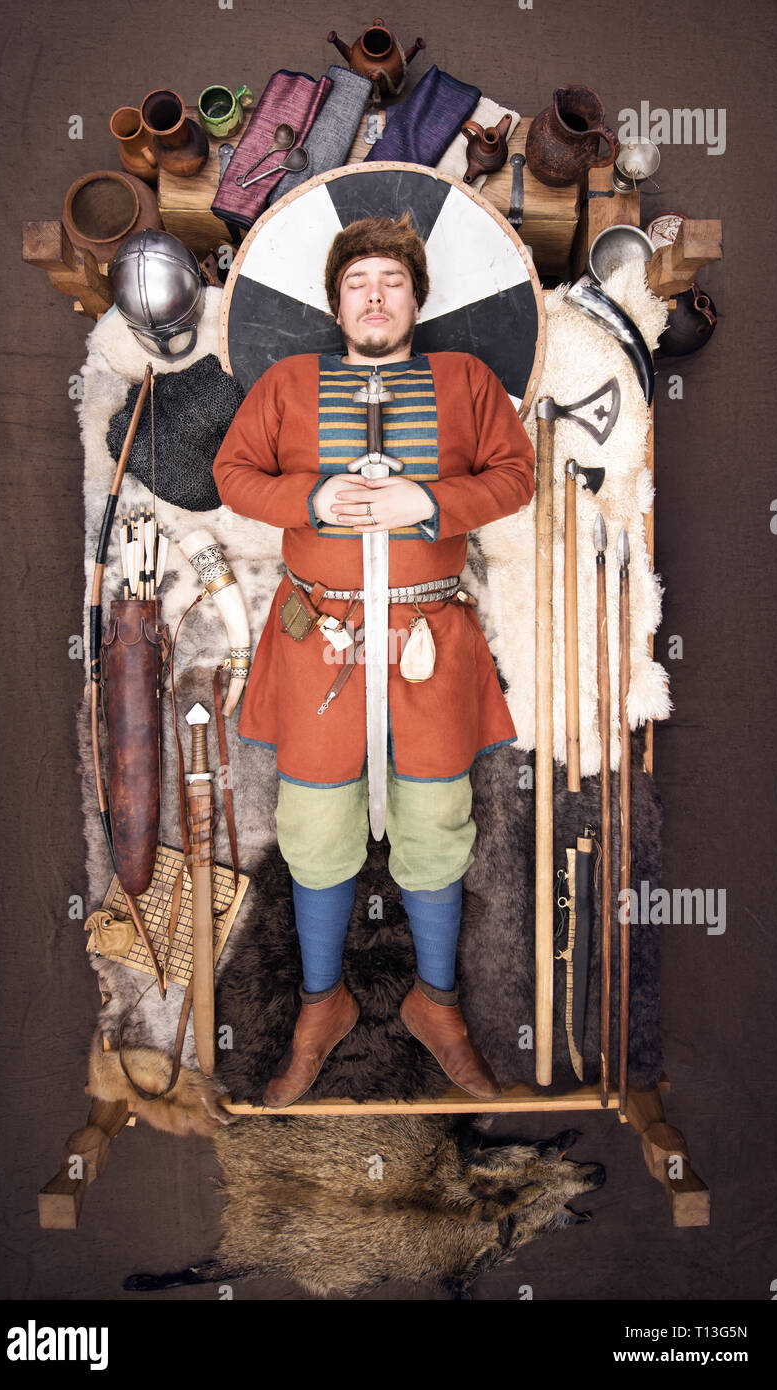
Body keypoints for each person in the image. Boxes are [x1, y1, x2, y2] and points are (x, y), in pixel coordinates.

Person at [213, 214, 535, 1107]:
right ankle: (323, 1006)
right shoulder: (285, 381)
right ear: (335, 301)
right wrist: (315, 496)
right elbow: (234, 475)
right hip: (319, 642)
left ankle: (437, 1006)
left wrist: (421, 500)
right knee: (316, 835)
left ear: (417, 299)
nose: (375, 296)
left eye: (392, 282)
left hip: (431, 644)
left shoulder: (467, 380)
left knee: (435, 826)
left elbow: (516, 475)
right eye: (359, 283)